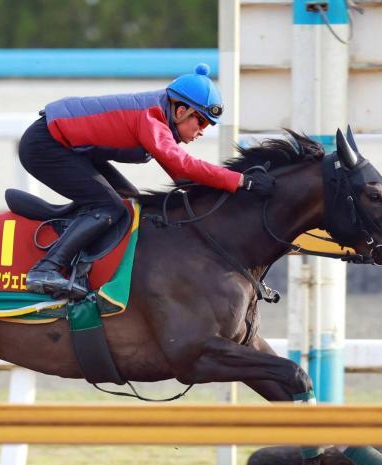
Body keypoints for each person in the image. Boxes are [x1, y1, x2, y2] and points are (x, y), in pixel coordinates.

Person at [19, 63, 276, 299]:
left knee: (132, 205)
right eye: (200, 122)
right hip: (45, 145)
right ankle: (46, 269)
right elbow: (184, 165)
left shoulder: (162, 116)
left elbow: (182, 179)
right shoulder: (152, 118)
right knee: (109, 207)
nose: (201, 131)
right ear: (181, 111)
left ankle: (85, 268)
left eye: (207, 126)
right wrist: (242, 180)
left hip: (69, 148)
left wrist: (231, 196)